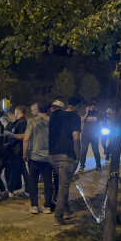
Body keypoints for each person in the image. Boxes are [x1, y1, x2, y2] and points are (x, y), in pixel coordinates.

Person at [49, 97, 81, 226]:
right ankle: (58, 216)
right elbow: (76, 138)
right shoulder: (75, 117)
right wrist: (77, 156)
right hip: (66, 155)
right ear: (77, 105)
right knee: (64, 186)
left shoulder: (54, 114)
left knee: (63, 182)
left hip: (52, 155)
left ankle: (65, 207)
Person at [23, 101, 57, 214]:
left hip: (34, 157)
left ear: (38, 109)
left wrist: (25, 154)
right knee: (48, 182)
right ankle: (47, 205)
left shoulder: (32, 121)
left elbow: (26, 139)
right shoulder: (53, 122)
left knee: (33, 182)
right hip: (48, 158)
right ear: (49, 110)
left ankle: (34, 205)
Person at [5, 105, 30, 198]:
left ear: (18, 112)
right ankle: (27, 190)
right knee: (21, 170)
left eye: (15, 111)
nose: (14, 114)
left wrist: (11, 135)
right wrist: (8, 113)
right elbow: (14, 119)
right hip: (17, 149)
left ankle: (11, 190)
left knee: (17, 170)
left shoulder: (23, 122)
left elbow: (23, 136)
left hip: (18, 149)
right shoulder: (19, 121)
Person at [79, 101, 104, 172]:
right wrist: (86, 113)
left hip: (94, 135)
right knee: (83, 151)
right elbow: (81, 121)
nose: (91, 108)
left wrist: (97, 133)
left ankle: (98, 165)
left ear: (95, 107)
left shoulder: (99, 114)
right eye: (89, 107)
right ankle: (82, 166)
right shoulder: (85, 112)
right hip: (85, 135)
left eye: (92, 107)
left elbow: (100, 125)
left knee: (95, 151)